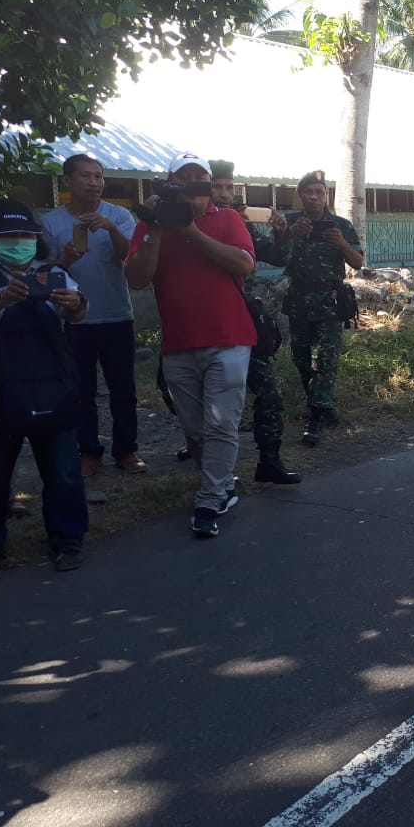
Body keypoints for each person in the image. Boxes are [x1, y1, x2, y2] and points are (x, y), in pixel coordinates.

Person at [125, 154, 256, 540]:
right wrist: (155, 230)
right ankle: (223, 483)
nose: (194, 185)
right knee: (195, 429)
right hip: (179, 343)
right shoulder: (151, 226)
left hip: (229, 338)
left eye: (202, 179)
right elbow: (136, 279)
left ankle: (209, 498)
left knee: (222, 424)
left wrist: (192, 230)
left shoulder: (228, 219)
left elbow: (245, 265)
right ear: (171, 183)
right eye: (186, 179)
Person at [0, 199, 89, 571]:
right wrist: (1, 299)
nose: (18, 241)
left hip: (54, 390)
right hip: (0, 394)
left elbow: (80, 314)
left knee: (64, 472)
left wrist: (74, 303)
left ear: (36, 239)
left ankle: (68, 541)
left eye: (24, 235)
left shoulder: (53, 274)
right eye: (7, 236)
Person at [41, 153, 143, 477]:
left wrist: (111, 228)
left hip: (116, 315)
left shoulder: (119, 215)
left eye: (98, 176)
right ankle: (89, 452)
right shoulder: (51, 222)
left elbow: (132, 257)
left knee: (123, 389)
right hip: (74, 321)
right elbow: (45, 274)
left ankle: (126, 450)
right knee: (81, 391)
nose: (94, 182)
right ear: (67, 182)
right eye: (85, 176)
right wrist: (66, 260)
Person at [208, 160, 300, 485]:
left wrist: (281, 233)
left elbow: (278, 257)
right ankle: (206, 462)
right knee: (199, 397)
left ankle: (269, 460)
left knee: (270, 389)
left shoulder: (240, 224)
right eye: (216, 186)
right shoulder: (188, 223)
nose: (223, 193)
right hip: (203, 323)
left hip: (242, 320)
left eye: (228, 187)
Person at [272, 170, 364, 446]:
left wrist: (341, 243)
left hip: (329, 301)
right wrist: (291, 236)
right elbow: (276, 257)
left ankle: (316, 415)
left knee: (326, 358)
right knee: (301, 358)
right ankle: (324, 406)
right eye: (309, 192)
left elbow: (358, 263)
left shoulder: (341, 225)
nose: (314, 197)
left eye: (320, 192)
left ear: (326, 196)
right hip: (298, 300)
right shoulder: (288, 222)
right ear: (301, 196)